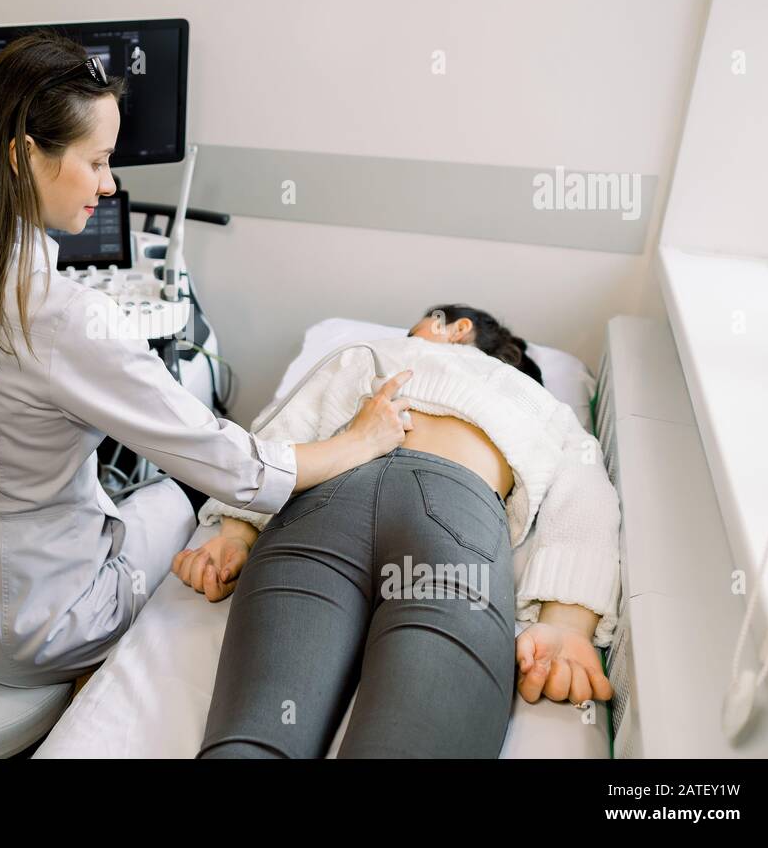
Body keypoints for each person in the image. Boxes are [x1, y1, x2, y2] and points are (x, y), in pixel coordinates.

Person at [0, 31, 414, 688]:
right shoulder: (64, 317)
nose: (109, 186)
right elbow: (238, 470)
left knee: (128, 471)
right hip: (39, 624)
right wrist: (359, 440)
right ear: (23, 156)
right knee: (182, 485)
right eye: (99, 161)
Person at [172, 305, 621, 757]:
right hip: (454, 518)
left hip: (324, 504)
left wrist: (237, 531)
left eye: (419, 322)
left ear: (455, 328)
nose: (407, 332)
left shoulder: (371, 354)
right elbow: (585, 499)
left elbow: (283, 431)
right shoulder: (545, 407)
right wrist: (566, 623)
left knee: (257, 736)